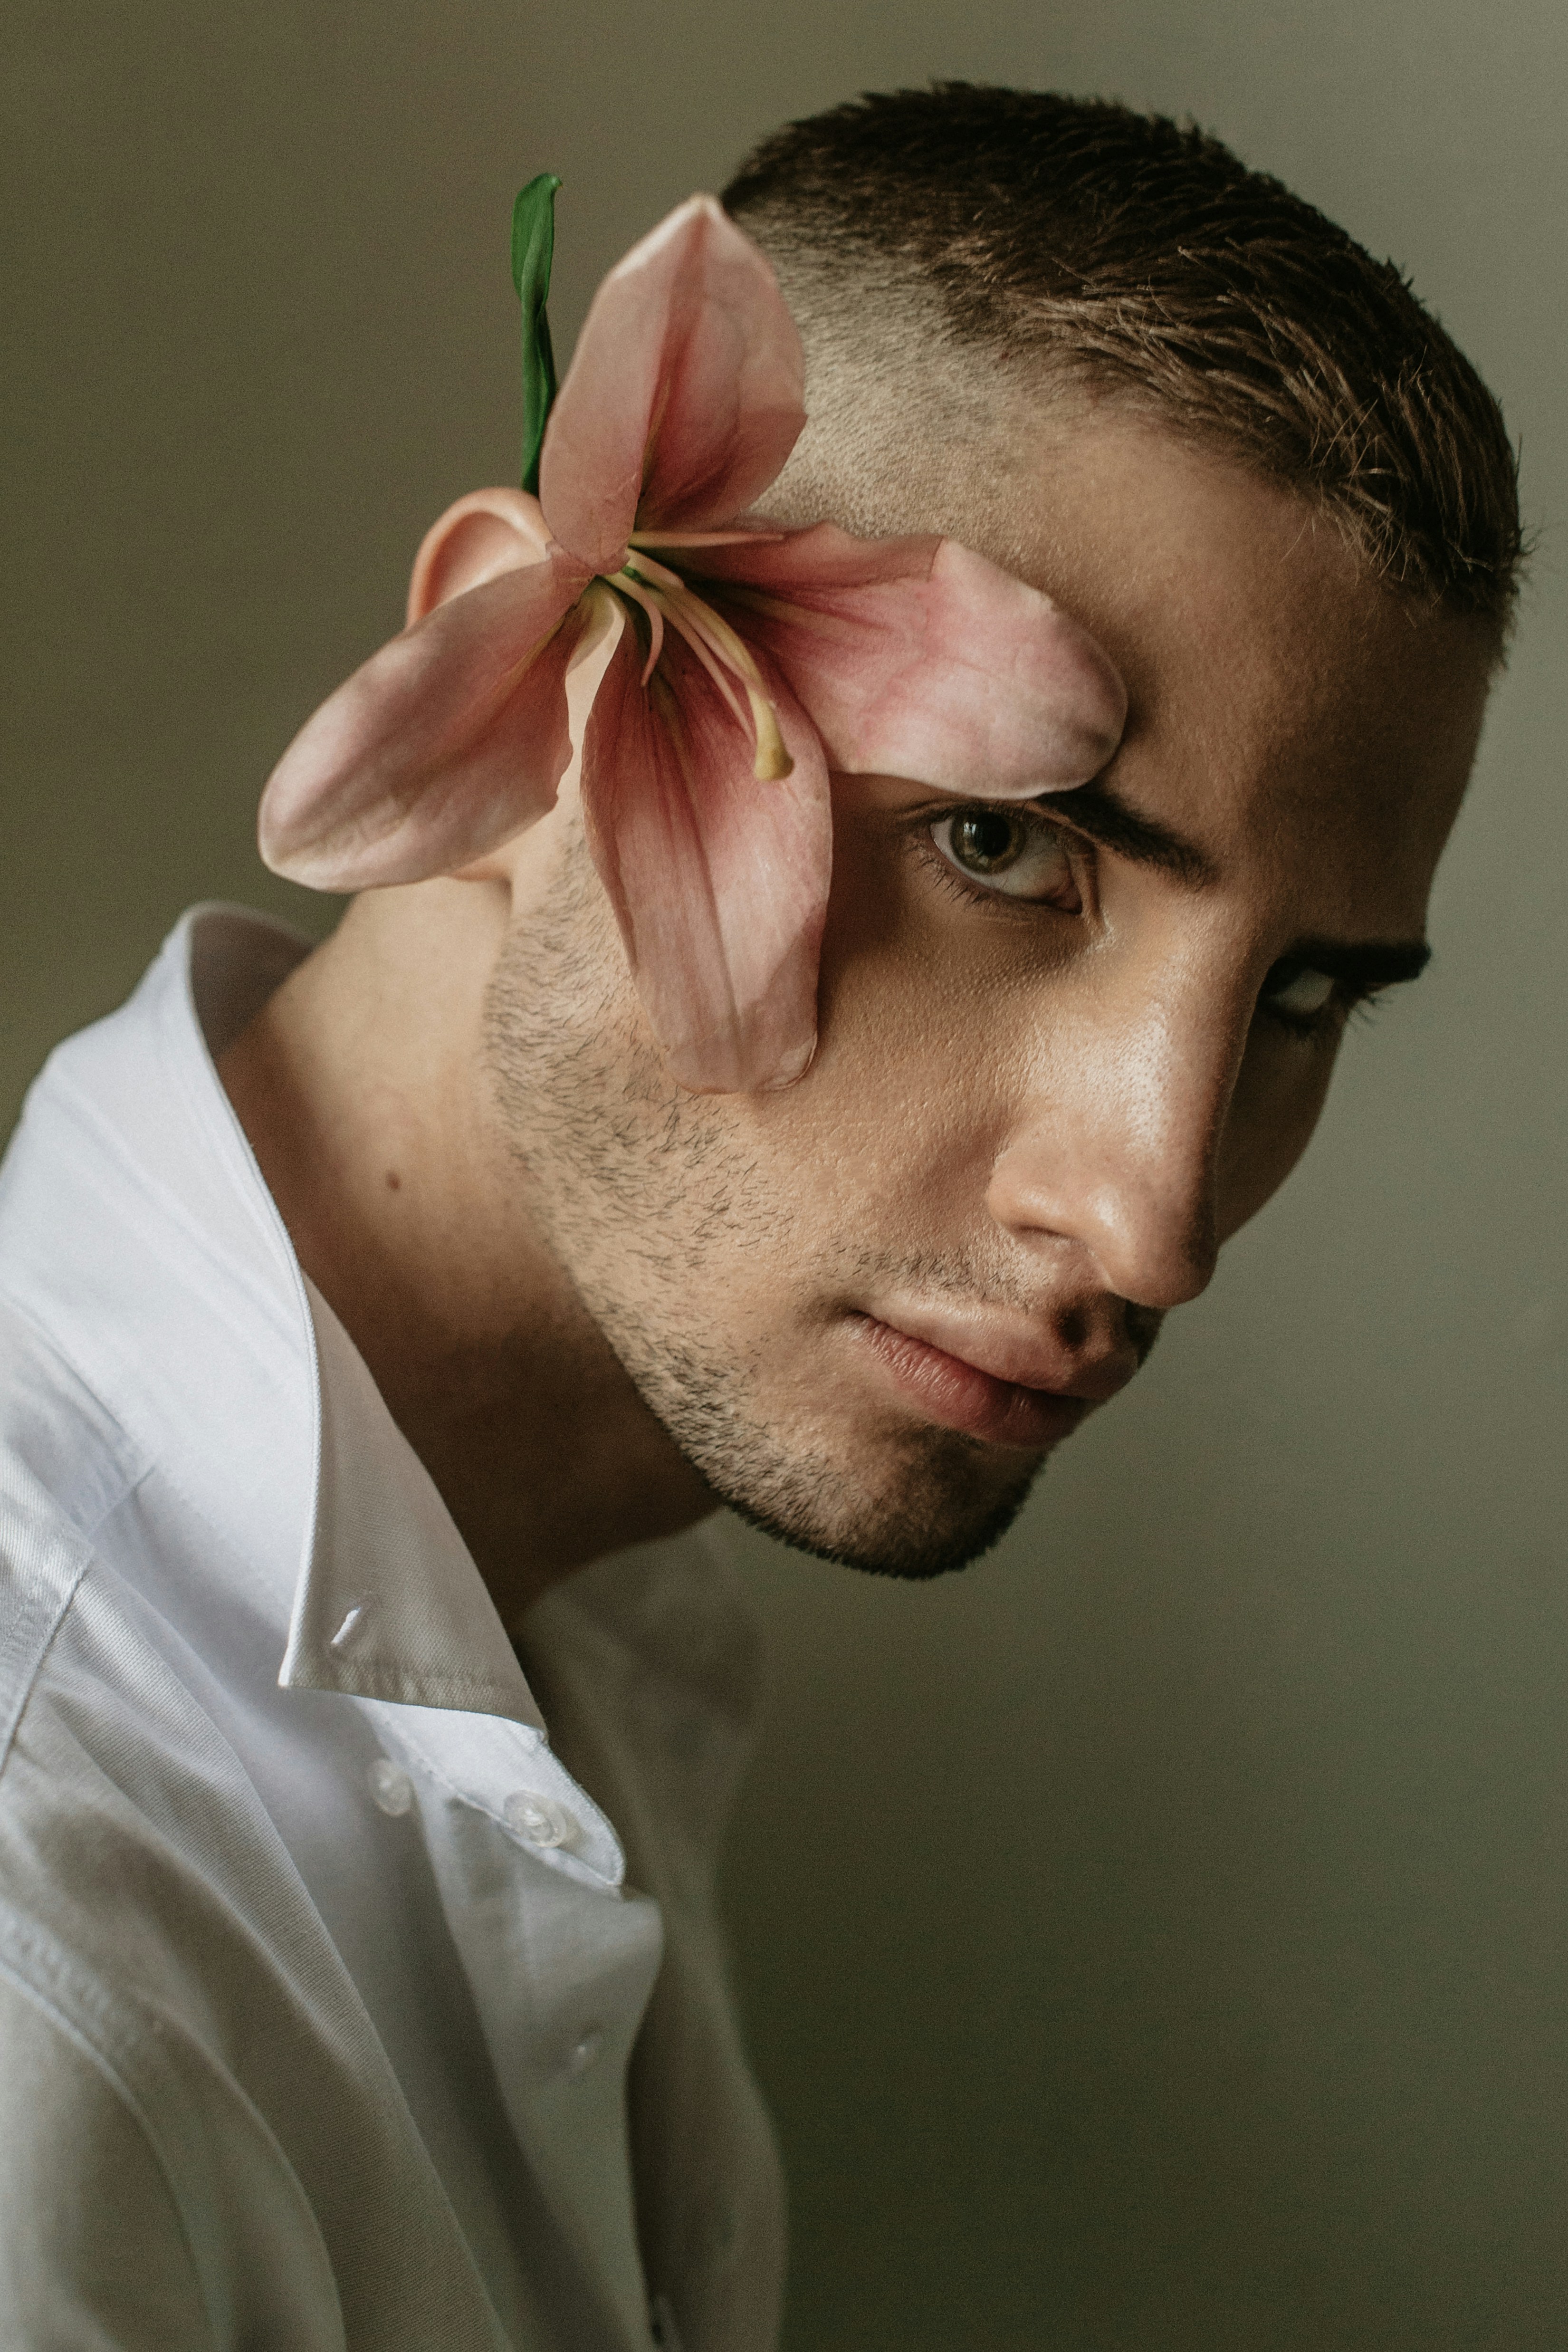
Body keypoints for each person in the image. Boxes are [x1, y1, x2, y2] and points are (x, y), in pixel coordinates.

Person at [0, 81, 1520, 2352]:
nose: (1156, 1217)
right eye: (1007, 847)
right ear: (520, 694)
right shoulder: (53, 1954)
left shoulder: (592, 1636)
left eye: (1307, 994)